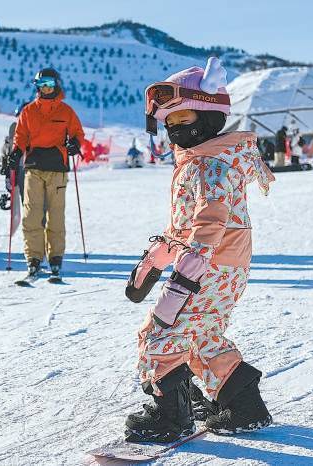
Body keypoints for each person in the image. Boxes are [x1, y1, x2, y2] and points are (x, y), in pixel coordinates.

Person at [125, 57, 275, 443]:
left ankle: (169, 416)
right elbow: (184, 226)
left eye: (184, 119)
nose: (176, 130)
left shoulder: (209, 165)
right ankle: (243, 406)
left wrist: (186, 273)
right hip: (222, 267)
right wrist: (157, 258)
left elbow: (209, 224)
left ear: (209, 117)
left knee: (160, 333)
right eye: (170, 123)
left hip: (208, 268)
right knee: (202, 335)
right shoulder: (200, 161)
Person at [7, 68, 85, 279]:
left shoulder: (66, 111)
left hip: (58, 169)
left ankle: (55, 258)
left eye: (49, 83)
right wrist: (15, 153)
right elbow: (20, 137)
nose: (46, 88)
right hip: (33, 168)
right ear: (37, 87)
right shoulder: (29, 111)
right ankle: (33, 257)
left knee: (55, 216)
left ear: (56, 84)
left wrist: (75, 144)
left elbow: (78, 133)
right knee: (31, 215)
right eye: (42, 84)